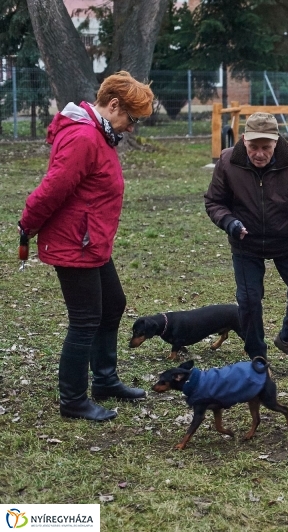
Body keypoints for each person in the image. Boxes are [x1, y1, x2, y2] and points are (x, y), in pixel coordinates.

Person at [18, 71, 154, 422]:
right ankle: (73, 400)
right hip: (73, 242)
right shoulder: (83, 137)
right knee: (85, 320)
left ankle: (105, 381)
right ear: (112, 105)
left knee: (113, 304)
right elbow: (52, 188)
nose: (131, 127)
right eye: (131, 118)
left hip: (91, 240)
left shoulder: (99, 134)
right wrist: (28, 226)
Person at [205, 112, 288, 370]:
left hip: (286, 242)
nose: (259, 153)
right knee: (249, 300)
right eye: (253, 147)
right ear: (243, 140)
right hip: (247, 245)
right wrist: (229, 222)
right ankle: (257, 355)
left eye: (265, 147)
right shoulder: (227, 161)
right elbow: (214, 202)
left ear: (276, 142)